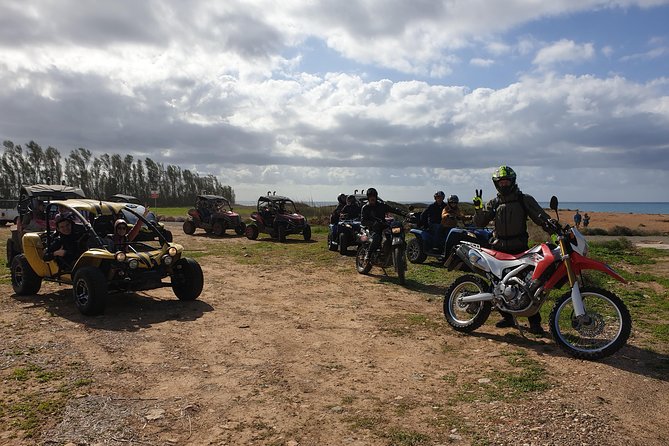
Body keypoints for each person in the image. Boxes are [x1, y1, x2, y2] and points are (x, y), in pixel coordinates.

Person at [473, 165, 556, 335]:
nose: (503, 184)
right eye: (500, 182)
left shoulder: (523, 199)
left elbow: (540, 217)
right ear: (496, 184)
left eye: (506, 181)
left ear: (512, 181)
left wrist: (554, 229)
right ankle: (507, 317)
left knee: (528, 286)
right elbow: (479, 223)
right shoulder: (494, 202)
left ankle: (535, 323)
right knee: (497, 285)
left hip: (519, 249)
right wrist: (478, 208)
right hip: (498, 248)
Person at [360, 188, 407, 261]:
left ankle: (398, 248)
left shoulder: (382, 205)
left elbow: (393, 209)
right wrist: (372, 223)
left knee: (396, 231)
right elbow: (363, 221)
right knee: (377, 237)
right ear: (368, 197)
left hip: (383, 225)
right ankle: (368, 254)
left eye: (374, 196)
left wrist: (404, 213)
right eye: (370, 196)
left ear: (376, 197)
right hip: (373, 228)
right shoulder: (365, 208)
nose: (372, 198)